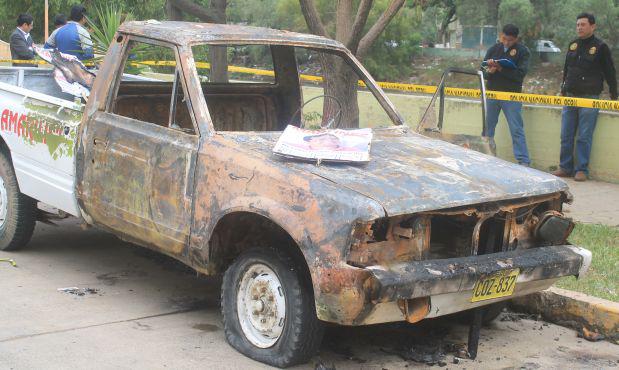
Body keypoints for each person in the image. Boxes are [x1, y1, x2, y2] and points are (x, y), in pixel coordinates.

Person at [552, 12, 617, 182]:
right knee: (566, 134)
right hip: (570, 96)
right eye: (578, 25)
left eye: (583, 24)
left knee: (584, 136)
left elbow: (610, 72)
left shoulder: (600, 47)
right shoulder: (573, 45)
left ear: (592, 26)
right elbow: (567, 70)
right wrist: (563, 88)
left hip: (589, 97)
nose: (579, 27)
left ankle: (581, 170)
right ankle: (565, 167)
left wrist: (614, 95)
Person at [482, 24, 531, 166]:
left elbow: (520, 75)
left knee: (516, 128)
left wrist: (501, 68)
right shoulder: (494, 49)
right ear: (500, 35)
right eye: (504, 38)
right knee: (488, 127)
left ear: (516, 39)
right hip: (492, 93)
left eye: (510, 40)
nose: (506, 42)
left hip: (511, 96)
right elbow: (482, 69)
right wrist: (489, 71)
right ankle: (486, 155)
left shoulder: (523, 51)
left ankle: (523, 161)